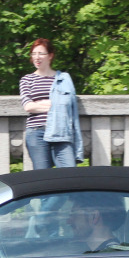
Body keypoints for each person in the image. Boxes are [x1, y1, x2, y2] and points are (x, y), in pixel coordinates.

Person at [19, 38, 84, 169]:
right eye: (34, 54)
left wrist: (42, 104)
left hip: (61, 131)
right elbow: (28, 106)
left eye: (41, 53)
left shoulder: (63, 79)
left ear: (50, 56)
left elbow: (67, 104)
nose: (37, 57)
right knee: (43, 178)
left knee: (69, 174)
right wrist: (55, 104)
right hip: (36, 132)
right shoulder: (27, 79)